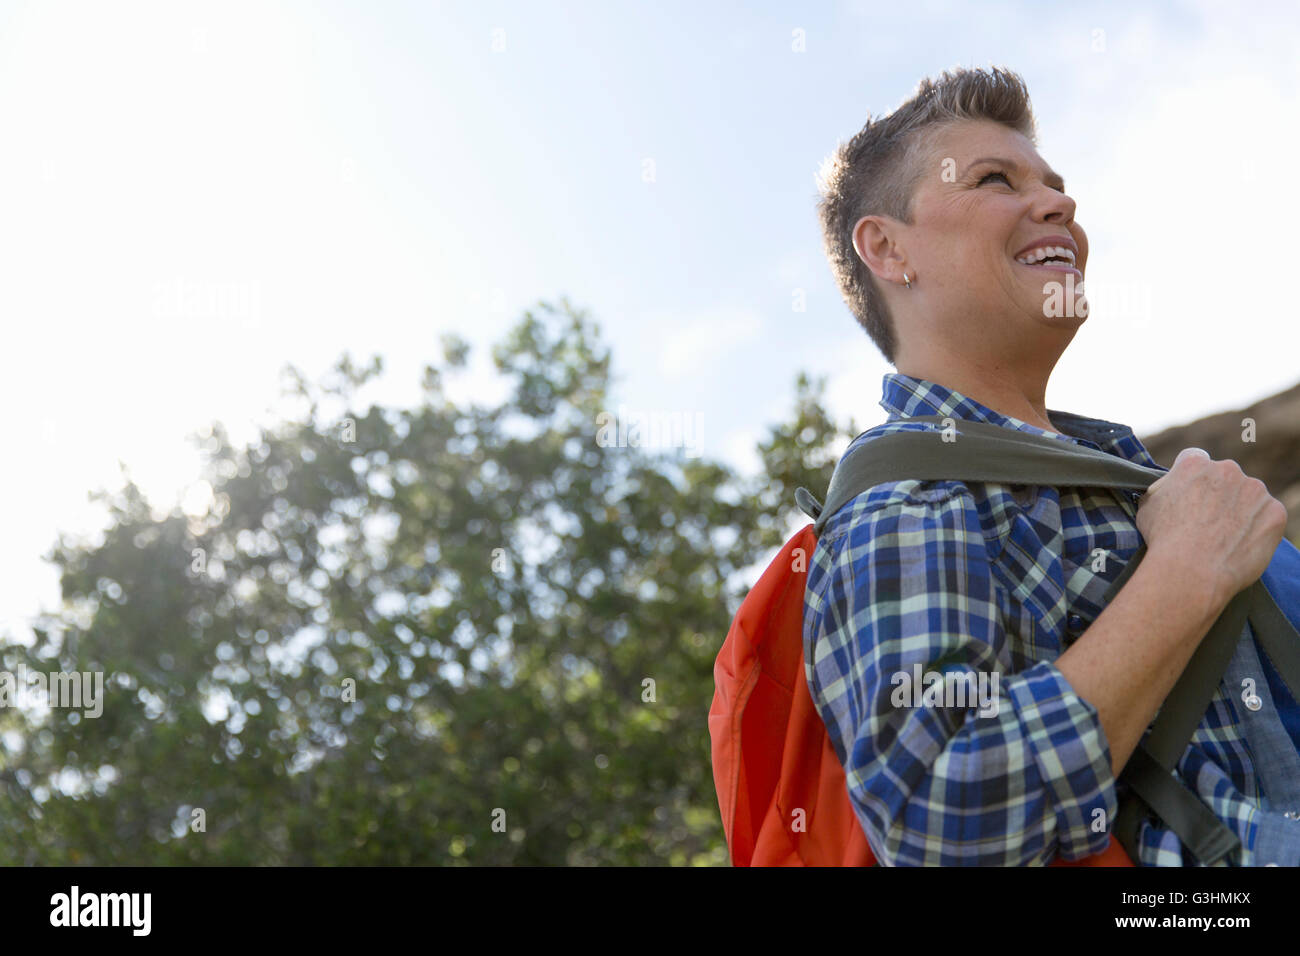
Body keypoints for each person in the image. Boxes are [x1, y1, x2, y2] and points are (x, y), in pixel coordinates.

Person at [806, 65, 1292, 866]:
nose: (1060, 203)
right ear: (887, 247)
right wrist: (1187, 572)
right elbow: (940, 814)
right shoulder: (911, 499)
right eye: (994, 179)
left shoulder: (1100, 474)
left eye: (1056, 185)